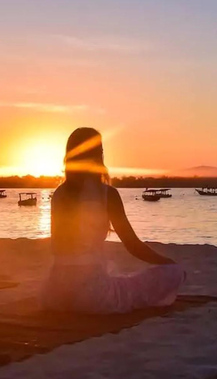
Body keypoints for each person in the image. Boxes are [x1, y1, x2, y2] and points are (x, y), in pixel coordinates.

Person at [41, 128, 185, 313]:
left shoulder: (59, 194)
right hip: (91, 296)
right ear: (98, 156)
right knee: (174, 273)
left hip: (54, 295)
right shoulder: (107, 194)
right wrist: (169, 263)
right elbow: (133, 246)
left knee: (113, 272)